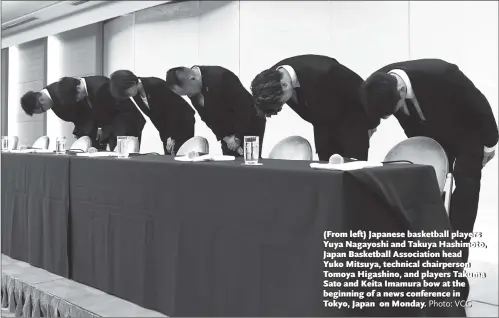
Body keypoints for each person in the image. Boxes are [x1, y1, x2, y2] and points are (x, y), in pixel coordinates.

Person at [359, 58, 498, 263]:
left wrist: (490, 143)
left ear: (400, 90)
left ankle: (456, 260)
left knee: (466, 188)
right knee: (428, 186)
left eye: (394, 110)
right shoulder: (378, 83)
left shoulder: (442, 73)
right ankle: (431, 251)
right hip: (429, 133)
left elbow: (478, 102)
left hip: (466, 132)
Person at [250, 54, 373, 161]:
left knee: (354, 179)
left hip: (352, 128)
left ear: (285, 85)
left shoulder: (327, 70)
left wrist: (372, 123)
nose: (282, 105)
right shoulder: (272, 79)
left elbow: (365, 92)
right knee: (327, 180)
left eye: (281, 103)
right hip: (324, 134)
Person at [165, 66, 266, 157]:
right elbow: (207, 118)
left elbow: (245, 107)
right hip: (227, 133)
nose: (189, 96)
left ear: (192, 78)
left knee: (250, 163)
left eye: (187, 92)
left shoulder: (221, 77)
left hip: (249, 123)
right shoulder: (192, 88)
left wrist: (237, 138)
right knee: (231, 164)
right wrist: (226, 138)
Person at [109, 70, 195, 155]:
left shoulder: (156, 85)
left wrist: (172, 136)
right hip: (168, 127)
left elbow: (173, 111)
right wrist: (165, 137)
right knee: (169, 155)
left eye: (127, 91)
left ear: (132, 82)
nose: (128, 95)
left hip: (182, 121)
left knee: (180, 155)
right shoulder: (136, 95)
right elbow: (156, 117)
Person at [57, 76, 145, 150]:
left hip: (127, 123)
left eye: (76, 97)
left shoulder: (102, 85)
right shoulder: (84, 87)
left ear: (78, 88)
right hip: (113, 123)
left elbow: (120, 111)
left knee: (122, 161)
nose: (77, 100)